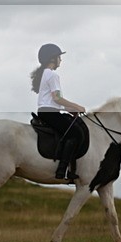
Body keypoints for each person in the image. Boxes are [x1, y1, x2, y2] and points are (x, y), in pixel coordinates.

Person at [31, 43, 86, 181]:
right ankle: (63, 171)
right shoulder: (53, 75)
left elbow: (53, 100)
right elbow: (57, 98)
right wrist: (77, 106)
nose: (61, 60)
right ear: (52, 59)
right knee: (76, 133)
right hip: (50, 113)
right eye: (59, 57)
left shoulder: (45, 73)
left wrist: (69, 109)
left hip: (47, 111)